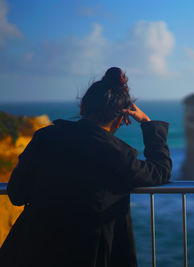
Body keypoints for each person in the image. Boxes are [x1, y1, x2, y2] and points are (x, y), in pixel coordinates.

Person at [0, 67, 172, 267]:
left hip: (30, 251)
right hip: (89, 255)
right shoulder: (118, 155)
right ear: (121, 119)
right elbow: (160, 171)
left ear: (82, 107)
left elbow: (16, 193)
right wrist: (147, 123)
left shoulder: (45, 138)